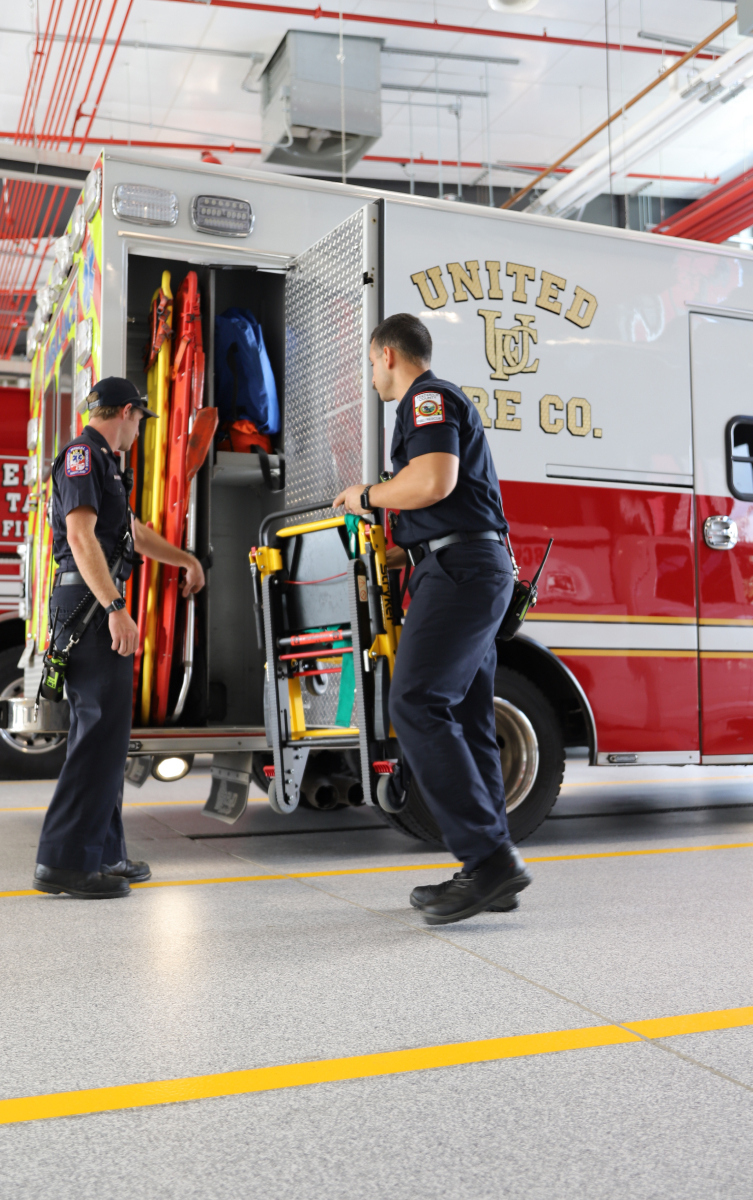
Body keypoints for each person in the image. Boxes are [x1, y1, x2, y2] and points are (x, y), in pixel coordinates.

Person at [333, 313, 531, 925]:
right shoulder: (427, 404)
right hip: (463, 566)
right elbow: (442, 505)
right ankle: (489, 868)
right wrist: (391, 553)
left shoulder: (427, 399)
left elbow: (434, 482)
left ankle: (490, 860)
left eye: (370, 365)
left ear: (388, 354)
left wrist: (364, 495)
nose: (371, 378)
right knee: (468, 719)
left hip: (462, 574)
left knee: (416, 702)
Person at [33, 377, 205, 900]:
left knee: (107, 737)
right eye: (138, 421)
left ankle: (104, 853)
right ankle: (62, 862)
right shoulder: (83, 457)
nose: (138, 432)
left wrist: (185, 559)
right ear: (127, 411)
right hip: (88, 605)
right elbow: (82, 537)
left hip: (88, 602)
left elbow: (129, 531)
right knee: (97, 733)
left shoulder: (105, 463)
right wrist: (115, 608)